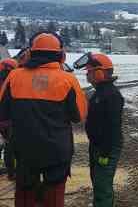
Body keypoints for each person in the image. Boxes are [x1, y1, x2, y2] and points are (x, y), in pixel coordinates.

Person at [0, 32, 87, 207]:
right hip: (57, 150)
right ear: (61, 55)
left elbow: (2, 113)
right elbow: (79, 116)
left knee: (25, 194)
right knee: (54, 195)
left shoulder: (14, 77)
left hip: (24, 150)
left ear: (31, 53)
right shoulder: (68, 80)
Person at [78, 53, 124, 207]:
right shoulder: (99, 92)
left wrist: (105, 152)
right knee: (97, 182)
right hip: (97, 144)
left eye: (89, 72)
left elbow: (112, 127)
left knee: (102, 186)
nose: (87, 75)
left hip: (107, 147)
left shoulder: (111, 95)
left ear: (99, 72)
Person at [0, 58, 18, 180]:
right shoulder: (14, 81)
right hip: (10, 119)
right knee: (10, 147)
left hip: (3, 118)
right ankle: (12, 172)